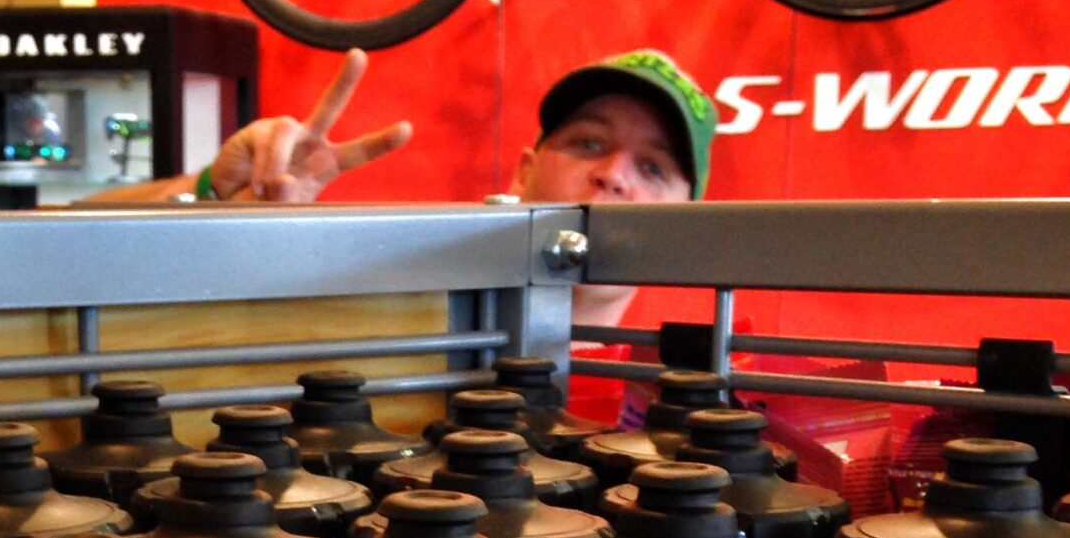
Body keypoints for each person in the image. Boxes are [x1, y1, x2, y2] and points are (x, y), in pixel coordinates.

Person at [98, 46, 714, 383]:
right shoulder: (393, 340)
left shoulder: (682, 410)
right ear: (524, 172)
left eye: (653, 167)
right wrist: (211, 194)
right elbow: (60, 246)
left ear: (688, 217)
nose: (614, 174)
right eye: (589, 143)